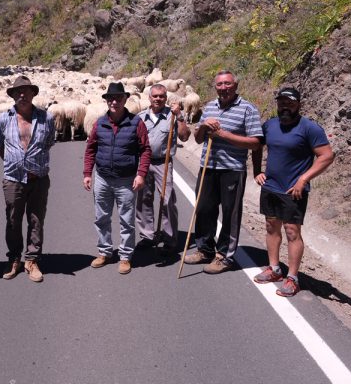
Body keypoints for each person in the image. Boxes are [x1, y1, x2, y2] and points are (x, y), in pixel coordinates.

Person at [251, 87, 334, 297]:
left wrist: (304, 178)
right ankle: (274, 268)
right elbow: (257, 146)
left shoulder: (309, 128)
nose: (285, 106)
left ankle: (293, 277)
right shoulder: (269, 125)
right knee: (271, 226)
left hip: (293, 190)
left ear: (298, 104)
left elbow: (326, 155)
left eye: (290, 102)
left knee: (292, 232)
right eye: (281, 102)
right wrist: (257, 171)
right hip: (270, 187)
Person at [184, 70, 263, 274]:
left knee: (230, 214)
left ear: (235, 86)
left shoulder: (248, 109)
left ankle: (224, 256)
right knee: (203, 209)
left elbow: (255, 142)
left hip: (232, 169)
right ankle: (205, 249)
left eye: (227, 84)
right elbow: (199, 138)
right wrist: (203, 127)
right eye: (219, 84)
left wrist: (223, 134)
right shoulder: (210, 106)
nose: (223, 88)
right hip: (208, 166)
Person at [83, 82, 152, 275]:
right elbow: (91, 149)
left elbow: (145, 149)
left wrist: (141, 174)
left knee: (126, 220)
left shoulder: (136, 123)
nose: (114, 102)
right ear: (106, 101)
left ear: (124, 100)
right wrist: (88, 173)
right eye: (110, 98)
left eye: (118, 98)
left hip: (126, 180)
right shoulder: (99, 123)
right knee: (101, 217)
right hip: (103, 178)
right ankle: (105, 252)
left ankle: (125, 256)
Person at [0, 76, 55, 283]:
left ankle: (32, 259)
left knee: (36, 219)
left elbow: (48, 143)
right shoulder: (3, 119)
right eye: (18, 92)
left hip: (38, 178)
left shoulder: (47, 119)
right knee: (12, 219)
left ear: (33, 93)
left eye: (26, 91)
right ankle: (14, 258)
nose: (22, 95)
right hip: (13, 179)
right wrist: (15, 162)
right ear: (12, 95)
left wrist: (33, 162)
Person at [134, 84, 191, 253]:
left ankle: (169, 238)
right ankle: (147, 236)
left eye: (161, 96)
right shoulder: (140, 117)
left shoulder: (172, 116)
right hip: (143, 162)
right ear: (149, 98)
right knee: (144, 199)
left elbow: (184, 137)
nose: (158, 99)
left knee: (167, 200)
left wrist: (179, 117)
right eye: (155, 96)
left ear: (166, 98)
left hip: (163, 162)